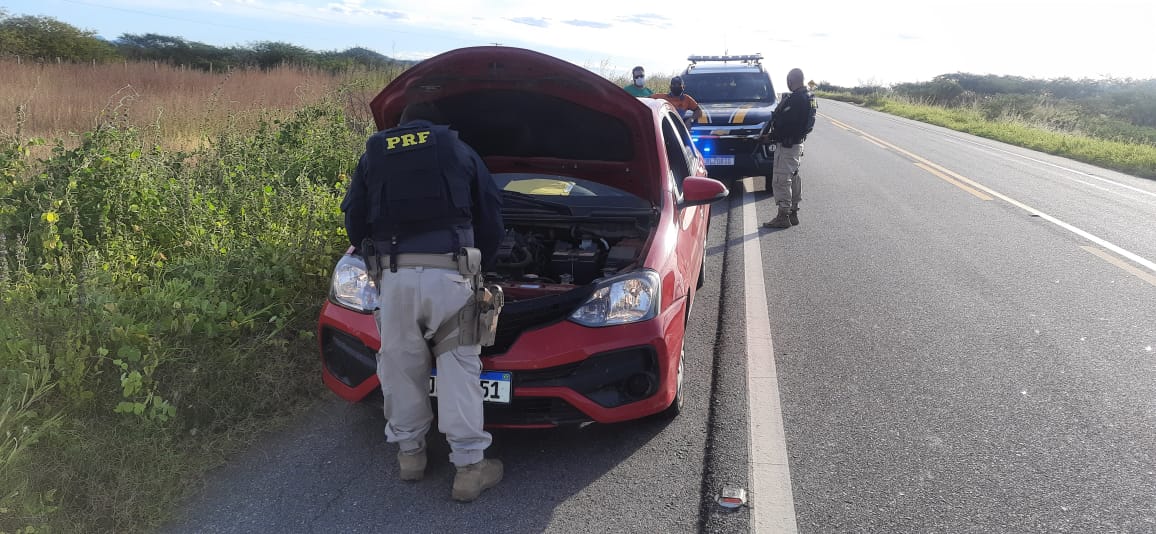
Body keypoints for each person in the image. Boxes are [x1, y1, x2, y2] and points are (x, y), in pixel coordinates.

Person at [341, 101, 505, 502]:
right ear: (437, 121)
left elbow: (354, 216)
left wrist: (374, 259)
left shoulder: (375, 155)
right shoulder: (457, 149)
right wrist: (482, 259)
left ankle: (410, 455)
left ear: (400, 125)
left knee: (400, 364)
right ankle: (469, 468)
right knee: (458, 366)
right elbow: (490, 212)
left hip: (393, 278)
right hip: (450, 274)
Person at [762, 68, 817, 229]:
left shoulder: (797, 100)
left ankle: (783, 215)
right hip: (797, 144)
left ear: (791, 80)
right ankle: (793, 212)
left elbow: (787, 125)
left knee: (781, 179)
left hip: (787, 145)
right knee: (793, 178)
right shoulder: (809, 96)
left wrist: (770, 137)